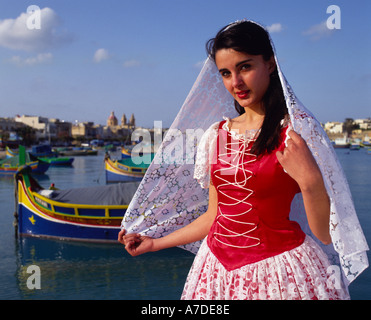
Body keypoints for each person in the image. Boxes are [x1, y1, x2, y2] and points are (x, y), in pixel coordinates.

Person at [118, 20, 368, 300]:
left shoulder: (296, 131)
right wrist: (154, 244)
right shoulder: (215, 135)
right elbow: (214, 216)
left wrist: (309, 181)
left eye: (245, 67)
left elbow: (324, 234)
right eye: (225, 73)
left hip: (281, 273)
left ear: (270, 64)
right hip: (214, 272)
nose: (235, 82)